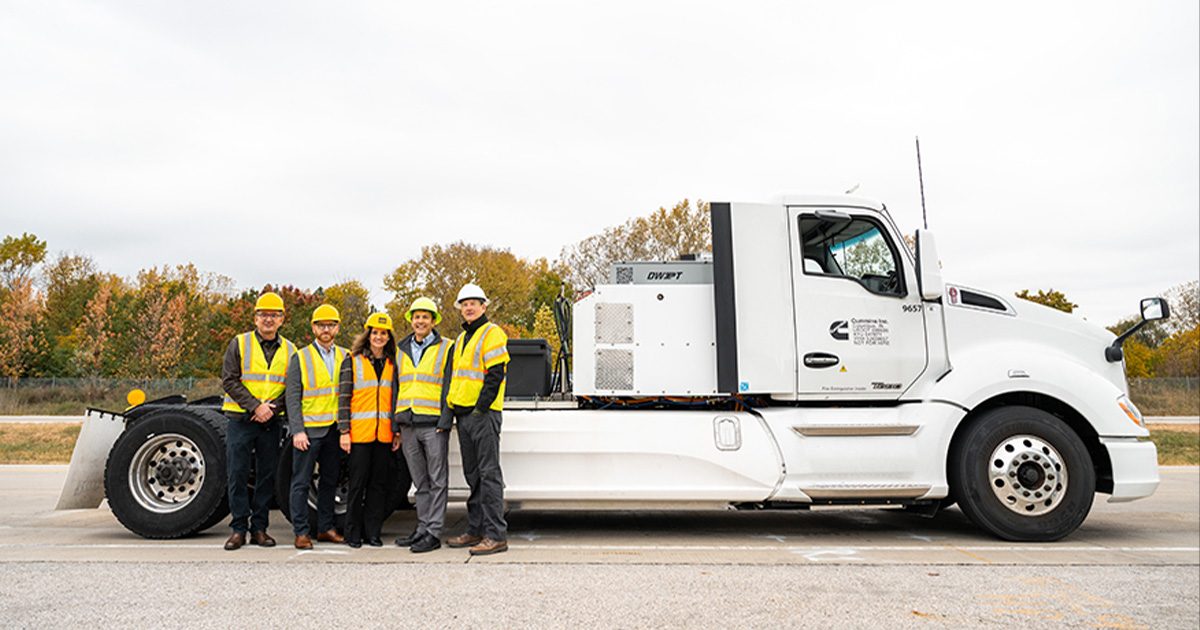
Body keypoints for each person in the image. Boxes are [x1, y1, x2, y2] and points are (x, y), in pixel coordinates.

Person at [220, 291, 296, 551]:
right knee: (237, 474)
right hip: (241, 420)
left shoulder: (291, 350)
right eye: (264, 314)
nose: (268, 319)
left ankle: (260, 529)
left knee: (266, 476)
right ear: (255, 318)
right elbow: (229, 380)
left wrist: (271, 410)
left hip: (270, 422)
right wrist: (255, 406)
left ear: (282, 319)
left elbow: (293, 387)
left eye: (274, 315)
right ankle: (238, 529)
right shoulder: (239, 343)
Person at [441, 283, 510, 555]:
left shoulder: (492, 333)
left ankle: (496, 535)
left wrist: (481, 408)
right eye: (464, 304)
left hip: (483, 414)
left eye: (473, 303)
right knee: (474, 476)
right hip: (464, 414)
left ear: (483, 306)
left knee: (489, 474)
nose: (468, 308)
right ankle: (476, 529)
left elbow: (495, 374)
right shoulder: (461, 339)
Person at [392, 297, 454, 553]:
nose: (420, 321)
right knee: (420, 481)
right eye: (416, 317)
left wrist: (446, 419)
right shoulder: (401, 349)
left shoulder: (446, 347)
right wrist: (395, 424)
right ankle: (423, 527)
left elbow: (450, 384)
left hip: (433, 424)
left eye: (425, 317)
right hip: (407, 423)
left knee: (437, 479)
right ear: (411, 320)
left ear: (433, 321)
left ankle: (434, 532)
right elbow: (397, 386)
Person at [284, 304, 349, 549]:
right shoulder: (301, 357)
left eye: (330, 325)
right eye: (321, 325)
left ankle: (325, 528)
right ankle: (301, 532)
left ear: (337, 328)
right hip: (309, 431)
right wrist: (297, 430)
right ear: (313, 328)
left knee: (329, 481)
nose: (326, 330)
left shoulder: (345, 356)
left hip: (334, 430)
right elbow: (292, 397)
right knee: (300, 482)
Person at [338, 311, 399, 548]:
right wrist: (344, 432)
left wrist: (396, 431)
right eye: (375, 333)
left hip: (383, 435)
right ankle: (352, 533)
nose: (379, 337)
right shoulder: (352, 361)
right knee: (357, 484)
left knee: (378, 486)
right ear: (368, 335)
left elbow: (396, 400)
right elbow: (343, 398)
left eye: (383, 333)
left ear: (388, 337)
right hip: (359, 435)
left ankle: (373, 533)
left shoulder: (393, 363)